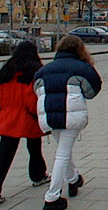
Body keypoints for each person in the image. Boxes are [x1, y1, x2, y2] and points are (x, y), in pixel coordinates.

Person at [34, 35, 102, 210]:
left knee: (63, 150)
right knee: (62, 154)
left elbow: (36, 90)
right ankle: (52, 197)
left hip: (49, 115)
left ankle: (73, 180)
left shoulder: (44, 70)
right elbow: (92, 91)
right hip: (70, 115)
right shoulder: (83, 68)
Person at [0, 41, 50, 205]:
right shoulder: (35, 72)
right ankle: (38, 175)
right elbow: (32, 98)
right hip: (28, 117)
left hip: (7, 116)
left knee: (5, 154)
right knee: (34, 147)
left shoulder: (6, 71)